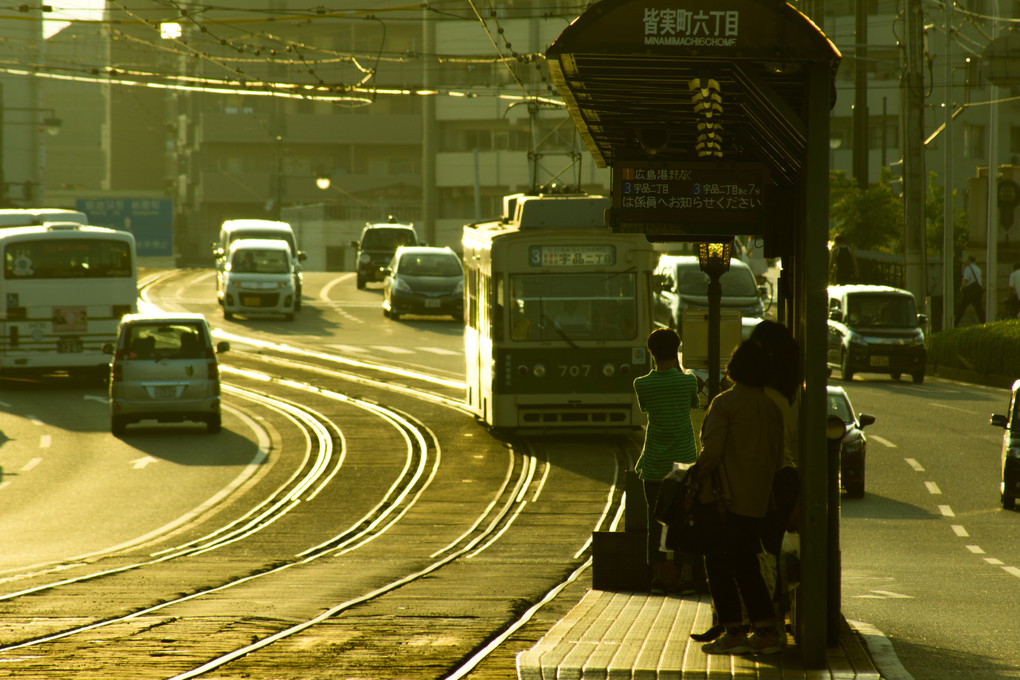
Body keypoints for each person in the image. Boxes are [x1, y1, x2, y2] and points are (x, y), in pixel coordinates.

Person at [694, 339, 785, 655]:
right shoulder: (772, 408)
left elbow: (712, 452)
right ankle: (763, 629)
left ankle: (736, 630)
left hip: (724, 502)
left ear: (734, 369)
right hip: (757, 502)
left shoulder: (724, 404)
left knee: (718, 564)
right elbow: (777, 460)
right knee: (746, 564)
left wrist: (693, 476)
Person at [632, 328, 700, 594]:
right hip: (684, 460)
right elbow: (693, 404)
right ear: (677, 349)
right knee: (685, 518)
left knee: (654, 519)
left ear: (651, 352)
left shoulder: (642, 383)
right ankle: (685, 577)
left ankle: (657, 578)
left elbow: (646, 409)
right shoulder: (688, 382)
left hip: (654, 462)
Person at [955, 255, 985, 325]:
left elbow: (965, 279)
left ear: (969, 261)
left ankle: (956, 322)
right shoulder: (978, 269)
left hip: (970, 291)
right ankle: (983, 321)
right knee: (979, 307)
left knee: (963, 306)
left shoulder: (968, 268)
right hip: (977, 290)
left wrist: (961, 288)